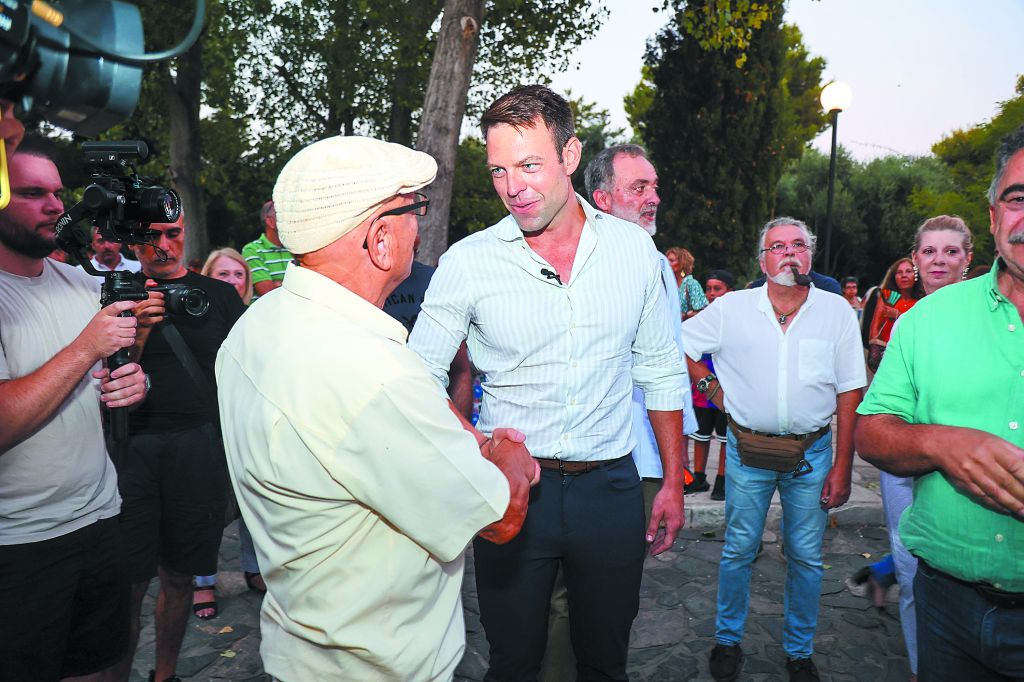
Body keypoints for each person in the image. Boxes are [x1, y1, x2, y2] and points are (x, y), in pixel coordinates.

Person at [215, 135, 537, 681]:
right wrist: (507, 454)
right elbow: (500, 516)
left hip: (302, 646)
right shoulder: (370, 371)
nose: (420, 228)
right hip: (377, 665)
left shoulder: (256, 326)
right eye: (415, 209)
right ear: (380, 238)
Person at [409, 85, 687, 681]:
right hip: (512, 490)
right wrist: (483, 446)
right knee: (512, 663)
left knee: (605, 661)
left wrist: (672, 481)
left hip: (610, 488)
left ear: (570, 155)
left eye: (529, 165)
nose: (513, 187)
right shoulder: (470, 261)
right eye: (499, 170)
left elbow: (662, 370)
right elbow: (418, 376)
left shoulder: (635, 253)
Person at [855, 125, 1024, 682]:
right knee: (903, 558)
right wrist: (939, 442)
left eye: (950, 251)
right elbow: (871, 430)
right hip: (946, 602)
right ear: (995, 216)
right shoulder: (920, 321)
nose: (937, 261)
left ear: (967, 253)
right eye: (1018, 198)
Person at [683, 217, 865, 682]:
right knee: (738, 549)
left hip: (812, 455)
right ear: (762, 261)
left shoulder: (836, 311)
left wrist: (843, 466)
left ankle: (799, 652)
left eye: (798, 245)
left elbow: (850, 390)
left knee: (805, 555)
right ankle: (728, 641)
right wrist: (710, 388)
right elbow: (678, 345)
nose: (788, 254)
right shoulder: (732, 308)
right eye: (777, 247)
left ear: (810, 256)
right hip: (746, 453)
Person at [0, 137, 148, 681]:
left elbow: (112, 367)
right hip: (18, 542)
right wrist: (87, 347)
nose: (54, 206)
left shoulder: (82, 282)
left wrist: (134, 381)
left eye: (58, 193)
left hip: (99, 517)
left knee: (96, 668)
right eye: (31, 193)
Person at [110, 212, 247, 682]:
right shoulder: (116, 294)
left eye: (172, 233)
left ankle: (164, 675)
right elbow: (103, 376)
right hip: (132, 449)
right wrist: (139, 330)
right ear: (134, 243)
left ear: (184, 233)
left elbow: (244, 369)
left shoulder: (219, 296)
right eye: (150, 236)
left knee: (180, 575)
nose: (163, 245)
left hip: (197, 448)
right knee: (129, 583)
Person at [193, 246, 263, 616]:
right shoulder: (194, 316)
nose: (233, 281)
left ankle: (254, 568)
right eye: (223, 274)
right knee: (207, 503)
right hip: (205, 422)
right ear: (208, 277)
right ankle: (203, 581)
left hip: (246, 421)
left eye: (239, 274)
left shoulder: (258, 318)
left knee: (253, 496)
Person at [688, 268, 736, 500]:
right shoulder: (700, 316)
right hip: (702, 385)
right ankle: (699, 477)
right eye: (708, 289)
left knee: (725, 436)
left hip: (726, 383)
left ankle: (722, 479)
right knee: (701, 433)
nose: (712, 293)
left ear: (730, 291)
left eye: (718, 288)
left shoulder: (735, 317)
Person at [864, 257, 919, 373]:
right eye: (899, 272)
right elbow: (875, 325)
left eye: (909, 271)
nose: (904, 275)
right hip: (886, 352)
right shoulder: (887, 296)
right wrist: (874, 347)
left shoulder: (922, 300)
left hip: (914, 353)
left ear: (916, 275)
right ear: (894, 277)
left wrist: (899, 315)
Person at [242, 200, 292, 300]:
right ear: (271, 222)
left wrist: (278, 284)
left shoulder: (296, 249)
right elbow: (267, 292)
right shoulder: (252, 250)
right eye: (285, 217)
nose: (292, 221)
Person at [666, 246, 708, 319]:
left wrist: (684, 315)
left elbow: (704, 313)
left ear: (682, 263)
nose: (667, 263)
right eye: (666, 260)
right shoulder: (665, 284)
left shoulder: (692, 284)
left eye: (671, 260)